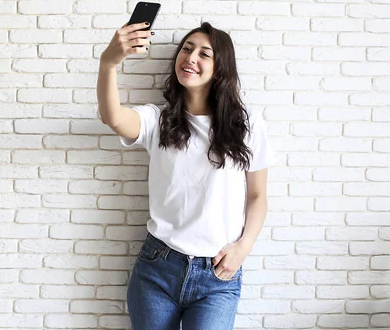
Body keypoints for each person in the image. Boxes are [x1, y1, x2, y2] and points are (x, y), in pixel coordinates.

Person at [96, 21, 272, 330]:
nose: (190, 58)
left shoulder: (248, 124)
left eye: (205, 54)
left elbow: (257, 194)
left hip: (217, 274)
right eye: (187, 49)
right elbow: (113, 117)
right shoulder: (158, 120)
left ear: (220, 69)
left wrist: (244, 247)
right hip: (158, 268)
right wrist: (109, 63)